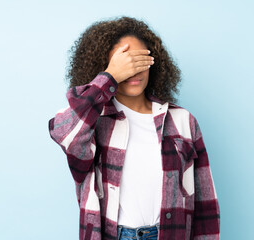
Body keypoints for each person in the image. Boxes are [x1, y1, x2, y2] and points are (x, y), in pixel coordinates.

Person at [48, 16, 220, 240]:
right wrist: (109, 78)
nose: (134, 69)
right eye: (124, 62)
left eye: (141, 60)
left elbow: (205, 204)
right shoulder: (92, 120)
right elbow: (64, 133)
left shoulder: (183, 121)